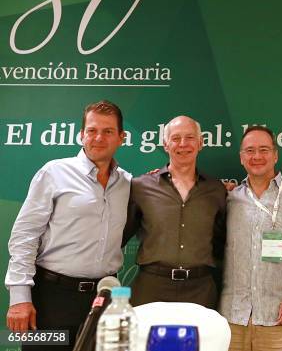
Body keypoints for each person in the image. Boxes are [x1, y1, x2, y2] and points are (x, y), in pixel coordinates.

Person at [5, 100, 131, 351]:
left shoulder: (127, 183)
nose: (98, 137)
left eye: (108, 131)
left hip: (104, 302)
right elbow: (25, 236)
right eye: (92, 130)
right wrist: (19, 299)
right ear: (81, 135)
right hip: (50, 298)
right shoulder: (53, 173)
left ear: (121, 137)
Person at [220, 126, 282, 351]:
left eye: (264, 149)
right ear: (241, 157)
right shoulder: (229, 199)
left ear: (276, 154)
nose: (257, 156)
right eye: (250, 151)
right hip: (233, 321)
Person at [122, 115, 226, 308]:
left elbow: (223, 243)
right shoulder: (141, 187)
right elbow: (119, 237)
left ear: (201, 143)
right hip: (152, 287)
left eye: (190, 137)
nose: (183, 144)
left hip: (200, 290)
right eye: (176, 138)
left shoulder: (216, 189)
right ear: (165, 144)